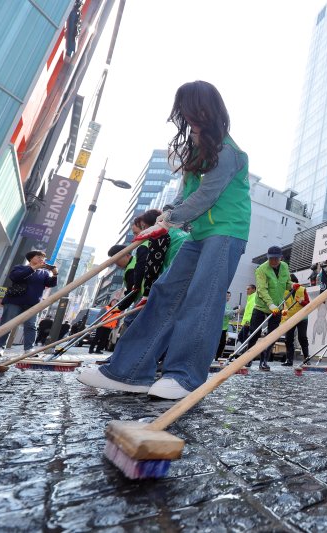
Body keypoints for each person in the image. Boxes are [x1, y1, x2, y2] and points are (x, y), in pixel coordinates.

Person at [78, 80, 251, 399]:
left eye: (196, 110)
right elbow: (184, 195)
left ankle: (185, 376)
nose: (191, 118)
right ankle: (129, 370)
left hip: (226, 232)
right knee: (164, 293)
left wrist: (170, 220)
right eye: (186, 112)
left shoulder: (229, 151)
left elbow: (206, 196)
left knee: (203, 297)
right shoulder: (195, 151)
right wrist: (167, 213)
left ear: (210, 111)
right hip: (198, 234)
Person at [0, 250, 58, 357]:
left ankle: (29, 350)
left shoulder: (44, 273)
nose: (42, 259)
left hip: (33, 304)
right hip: (14, 301)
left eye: (43, 258)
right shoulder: (20, 267)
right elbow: (15, 277)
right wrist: (33, 268)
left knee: (31, 326)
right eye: (39, 257)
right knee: (7, 324)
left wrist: (54, 274)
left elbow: (51, 284)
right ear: (31, 258)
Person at [249, 246, 291, 371]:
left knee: (272, 336)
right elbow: (261, 289)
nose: (272, 261)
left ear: (280, 258)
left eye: (275, 259)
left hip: (277, 308)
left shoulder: (284, 267)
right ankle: (247, 358)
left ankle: (264, 361)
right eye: (270, 259)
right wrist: (270, 304)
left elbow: (287, 283)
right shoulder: (261, 269)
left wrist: (293, 285)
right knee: (254, 334)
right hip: (262, 306)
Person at [282, 274, 309, 366]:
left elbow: (308, 303)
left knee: (302, 338)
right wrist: (283, 311)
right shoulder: (285, 292)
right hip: (290, 318)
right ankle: (289, 360)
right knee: (288, 339)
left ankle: (306, 359)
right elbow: (283, 304)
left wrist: (302, 301)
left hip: (302, 317)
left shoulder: (302, 289)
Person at [215, 292, 239, 358]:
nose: (228, 297)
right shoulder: (220, 304)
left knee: (222, 343)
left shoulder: (228, 306)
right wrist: (234, 311)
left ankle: (218, 356)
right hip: (218, 327)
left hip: (224, 328)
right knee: (216, 342)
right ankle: (213, 356)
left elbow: (230, 317)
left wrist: (234, 313)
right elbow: (225, 312)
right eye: (227, 296)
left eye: (229, 296)